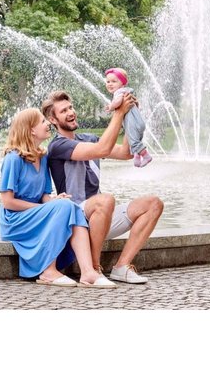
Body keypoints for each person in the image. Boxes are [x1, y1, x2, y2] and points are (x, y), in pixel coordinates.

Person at [42, 90, 164, 284]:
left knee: (153, 204)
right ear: (53, 119)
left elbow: (126, 153)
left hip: (101, 216)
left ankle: (122, 267)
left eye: (71, 107)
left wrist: (129, 116)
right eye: (63, 111)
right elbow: (102, 149)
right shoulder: (57, 145)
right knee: (105, 200)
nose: (71, 112)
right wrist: (118, 113)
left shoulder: (88, 138)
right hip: (75, 216)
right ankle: (93, 268)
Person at [0, 108, 116, 288]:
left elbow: (44, 195)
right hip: (14, 219)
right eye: (43, 122)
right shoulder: (13, 158)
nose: (48, 124)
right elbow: (7, 202)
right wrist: (45, 208)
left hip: (35, 214)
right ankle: (48, 271)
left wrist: (53, 201)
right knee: (64, 206)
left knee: (69, 205)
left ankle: (88, 272)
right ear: (31, 130)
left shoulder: (42, 157)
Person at [104, 67, 152, 167]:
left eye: (114, 81)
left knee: (134, 141)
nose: (110, 84)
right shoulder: (127, 92)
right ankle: (137, 157)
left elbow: (118, 101)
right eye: (108, 81)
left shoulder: (119, 92)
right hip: (138, 122)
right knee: (135, 139)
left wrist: (111, 107)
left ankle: (146, 156)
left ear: (123, 83)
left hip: (132, 123)